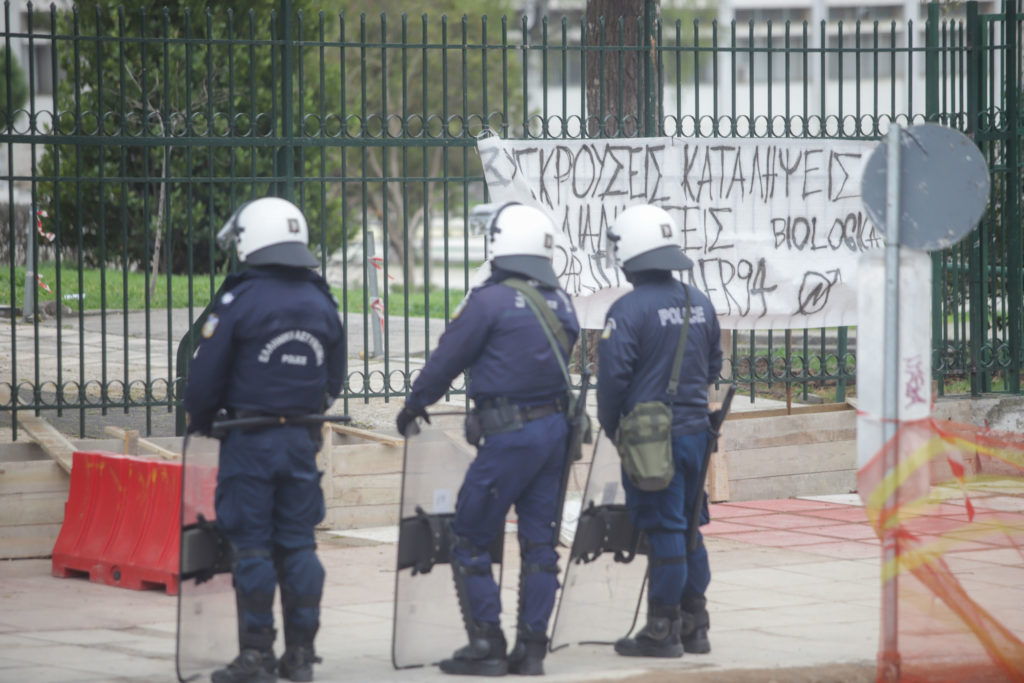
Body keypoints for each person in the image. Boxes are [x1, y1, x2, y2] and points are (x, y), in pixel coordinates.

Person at [395, 202, 580, 677]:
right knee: (540, 545)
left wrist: (415, 404)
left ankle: (487, 645)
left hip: (510, 437)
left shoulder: (488, 301)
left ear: (498, 245)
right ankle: (532, 650)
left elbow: (446, 359)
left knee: (470, 537)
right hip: (556, 434)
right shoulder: (560, 302)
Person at [184, 196, 346, 683]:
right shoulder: (322, 300)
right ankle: (300, 657)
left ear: (252, 238)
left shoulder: (241, 299)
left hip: (249, 441)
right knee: (298, 546)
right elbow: (333, 378)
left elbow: (204, 378)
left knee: (252, 548)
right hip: (301, 441)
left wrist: (202, 420)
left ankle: (255, 655)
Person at [596, 203, 723, 659]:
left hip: (652, 442)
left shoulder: (628, 310)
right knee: (690, 526)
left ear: (630, 252)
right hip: (696, 434)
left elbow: (612, 383)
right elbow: (713, 367)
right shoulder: (699, 302)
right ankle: (696, 622)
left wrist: (614, 430)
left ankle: (661, 628)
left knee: (666, 528)